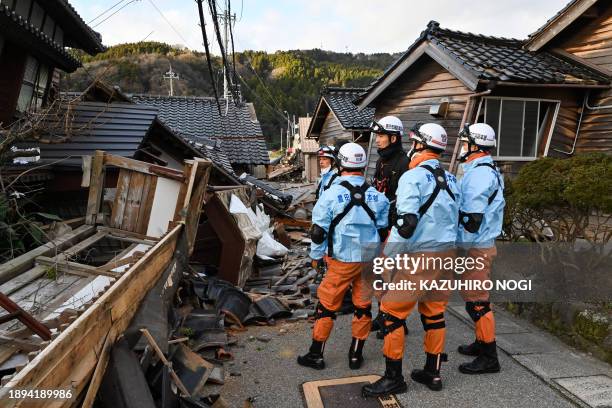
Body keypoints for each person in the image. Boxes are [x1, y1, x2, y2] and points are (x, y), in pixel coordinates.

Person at [363, 123, 459, 397]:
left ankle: (394, 379)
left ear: (418, 144)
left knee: (392, 314)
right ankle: (433, 372)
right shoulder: (451, 179)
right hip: (447, 256)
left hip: (420, 259)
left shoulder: (412, 177)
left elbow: (405, 226)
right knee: (434, 313)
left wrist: (387, 261)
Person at [298, 143, 389, 370]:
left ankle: (316, 354)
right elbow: (383, 229)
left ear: (339, 164)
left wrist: (316, 256)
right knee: (363, 307)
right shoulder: (377, 197)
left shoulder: (330, 195)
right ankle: (356, 355)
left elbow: (318, 232)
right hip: (368, 260)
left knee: (327, 306)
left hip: (341, 260)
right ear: (362, 165)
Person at [456, 123, 505, 375]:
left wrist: (460, 248)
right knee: (471, 296)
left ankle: (489, 356)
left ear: (475, 144)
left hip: (475, 246)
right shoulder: (487, 169)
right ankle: (480, 341)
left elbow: (471, 219)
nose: (463, 147)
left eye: (465, 142)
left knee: (478, 301)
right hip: (481, 244)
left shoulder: (479, 174)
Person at [369, 116, 410, 336]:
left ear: (393, 137)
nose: (377, 140)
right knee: (378, 276)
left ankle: (397, 320)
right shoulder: (380, 161)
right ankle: (381, 314)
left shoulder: (405, 163)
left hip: (394, 229)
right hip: (379, 227)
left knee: (393, 276)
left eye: (381, 136)